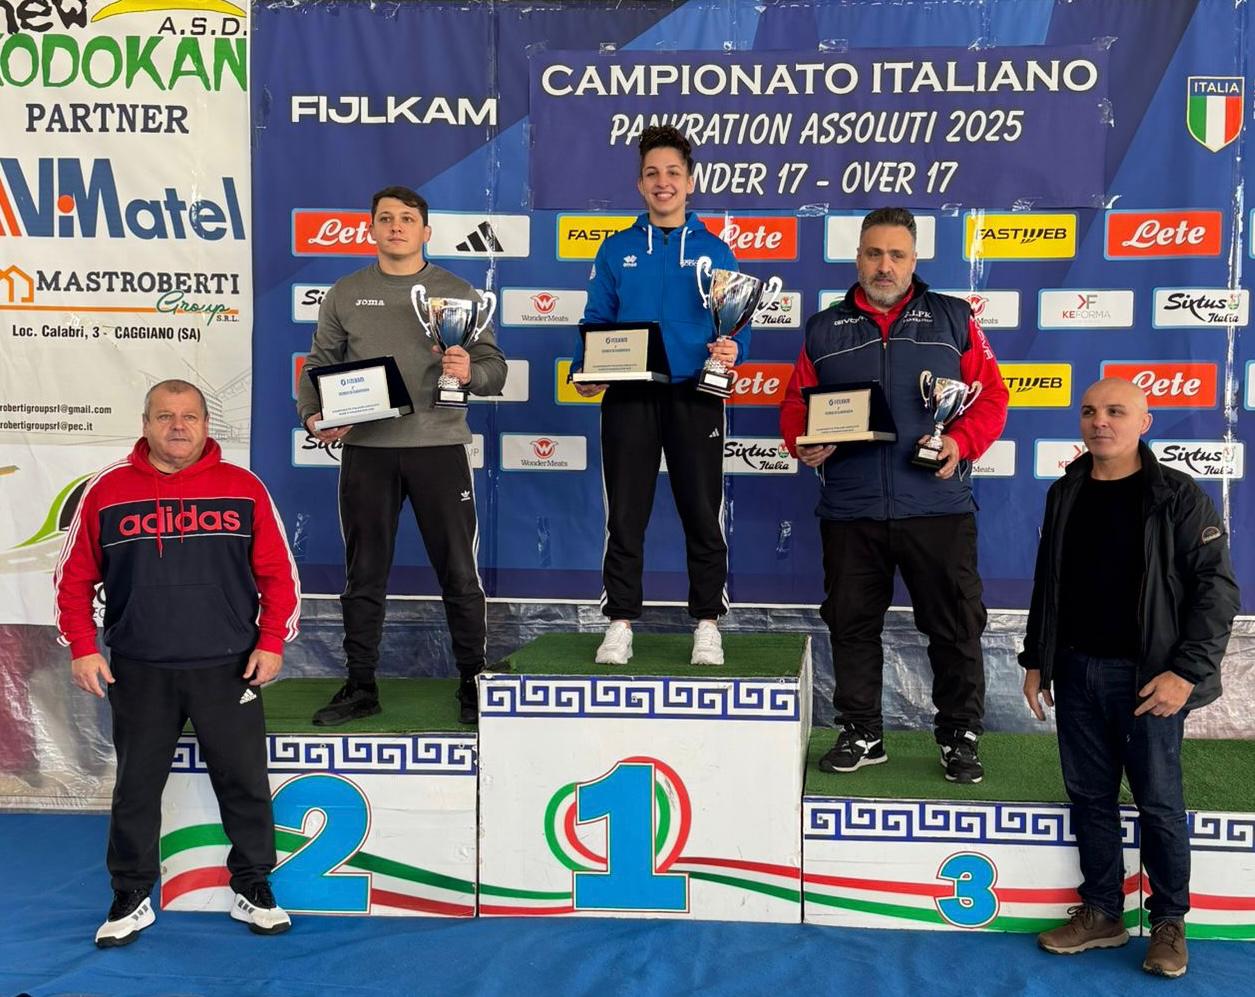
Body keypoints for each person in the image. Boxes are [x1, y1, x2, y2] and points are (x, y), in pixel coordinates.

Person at [54, 379, 300, 946]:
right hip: (140, 667)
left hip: (228, 667)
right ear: (145, 425)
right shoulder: (107, 490)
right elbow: (73, 577)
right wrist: (83, 645)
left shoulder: (243, 488)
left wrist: (271, 641)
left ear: (207, 425)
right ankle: (131, 894)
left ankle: (253, 885)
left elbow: (277, 573)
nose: (178, 426)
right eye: (165, 416)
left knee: (243, 782)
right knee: (136, 789)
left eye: (189, 416)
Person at [780, 206, 1008, 783]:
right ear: (858, 257)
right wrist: (803, 441)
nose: (885, 266)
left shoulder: (954, 318)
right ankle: (862, 731)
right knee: (852, 625)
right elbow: (795, 403)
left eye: (896, 255)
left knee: (955, 627)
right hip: (851, 508)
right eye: (874, 253)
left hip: (937, 506)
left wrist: (959, 442)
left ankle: (959, 736)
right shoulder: (823, 328)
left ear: (914, 260)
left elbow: (991, 397)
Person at [1022, 377, 1238, 978]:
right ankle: (1102, 913)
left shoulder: (1177, 496)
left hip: (1149, 682)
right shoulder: (1065, 491)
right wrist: (1037, 659)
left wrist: (1184, 674)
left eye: (1116, 411)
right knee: (1090, 798)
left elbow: (1217, 592)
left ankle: (1168, 922)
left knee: (1159, 803)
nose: (1100, 422)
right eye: (1090, 411)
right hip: (1076, 672)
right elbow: (1048, 582)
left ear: (1144, 423)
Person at [298, 186, 506, 727]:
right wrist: (313, 416)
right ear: (371, 229)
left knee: (459, 573)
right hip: (368, 452)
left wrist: (469, 371)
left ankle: (472, 681)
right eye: (386, 218)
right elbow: (317, 366)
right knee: (364, 574)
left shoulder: (457, 292)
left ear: (425, 231)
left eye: (407, 219)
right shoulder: (346, 293)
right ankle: (360, 686)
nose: (396, 226)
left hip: (439, 449)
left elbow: (494, 370)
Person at [575, 125, 741, 667]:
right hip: (629, 395)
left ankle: (708, 624)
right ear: (640, 184)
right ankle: (620, 622)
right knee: (625, 513)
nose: (662, 182)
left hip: (696, 392)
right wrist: (585, 368)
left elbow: (734, 323)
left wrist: (733, 349)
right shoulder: (616, 248)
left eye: (673, 172)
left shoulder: (715, 250)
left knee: (702, 511)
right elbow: (597, 318)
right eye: (652, 173)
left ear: (690, 182)